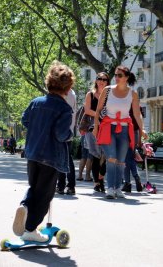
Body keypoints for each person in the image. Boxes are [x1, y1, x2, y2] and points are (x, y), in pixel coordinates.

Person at [12, 61, 74, 242]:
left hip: (33, 153)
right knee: (45, 195)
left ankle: (24, 206)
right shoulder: (64, 109)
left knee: (34, 188)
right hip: (51, 156)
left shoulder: (36, 102)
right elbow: (61, 134)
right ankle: (30, 229)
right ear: (67, 88)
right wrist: (70, 134)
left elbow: (25, 120)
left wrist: (38, 127)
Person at [93, 66, 147, 199]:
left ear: (127, 77)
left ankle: (118, 188)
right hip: (107, 127)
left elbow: (137, 114)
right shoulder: (107, 90)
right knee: (111, 158)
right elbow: (98, 110)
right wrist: (95, 127)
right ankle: (110, 188)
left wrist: (142, 129)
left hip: (124, 129)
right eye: (116, 75)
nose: (116, 78)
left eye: (120, 75)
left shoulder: (133, 94)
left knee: (121, 161)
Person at [85, 72, 110, 192]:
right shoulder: (90, 94)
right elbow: (87, 110)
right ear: (96, 80)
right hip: (92, 128)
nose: (101, 81)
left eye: (104, 79)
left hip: (107, 128)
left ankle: (101, 178)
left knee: (106, 156)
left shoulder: (110, 95)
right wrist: (99, 115)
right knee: (95, 156)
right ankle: (96, 183)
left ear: (107, 82)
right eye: (99, 79)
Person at [56, 88, 77, 195]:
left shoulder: (68, 94)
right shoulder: (70, 93)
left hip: (63, 131)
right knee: (65, 158)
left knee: (65, 158)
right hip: (66, 130)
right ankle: (64, 185)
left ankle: (66, 185)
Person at [122, 107, 144, 192]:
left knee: (126, 159)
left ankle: (129, 182)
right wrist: (139, 139)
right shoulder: (138, 106)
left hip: (124, 132)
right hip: (134, 133)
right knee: (129, 158)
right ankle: (132, 179)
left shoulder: (122, 103)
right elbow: (140, 123)